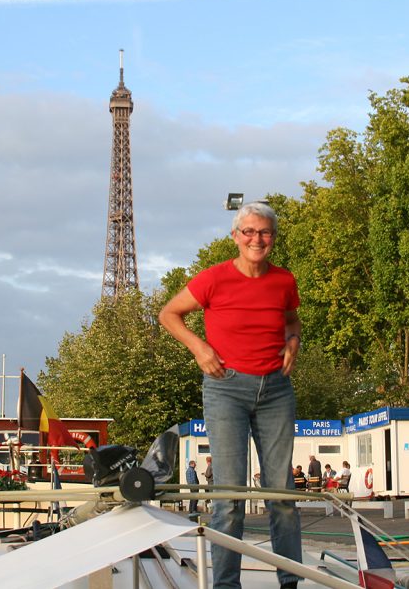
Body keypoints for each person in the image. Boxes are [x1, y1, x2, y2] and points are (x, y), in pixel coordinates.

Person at [160, 202, 302, 589]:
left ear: (273, 237)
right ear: (236, 236)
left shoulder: (284, 280)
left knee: (282, 493)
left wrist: (293, 341)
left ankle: (291, 581)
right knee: (229, 495)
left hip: (275, 389)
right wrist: (199, 348)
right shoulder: (213, 279)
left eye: (265, 232)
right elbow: (169, 313)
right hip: (226, 387)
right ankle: (225, 585)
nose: (257, 239)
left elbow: (291, 319)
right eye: (249, 232)